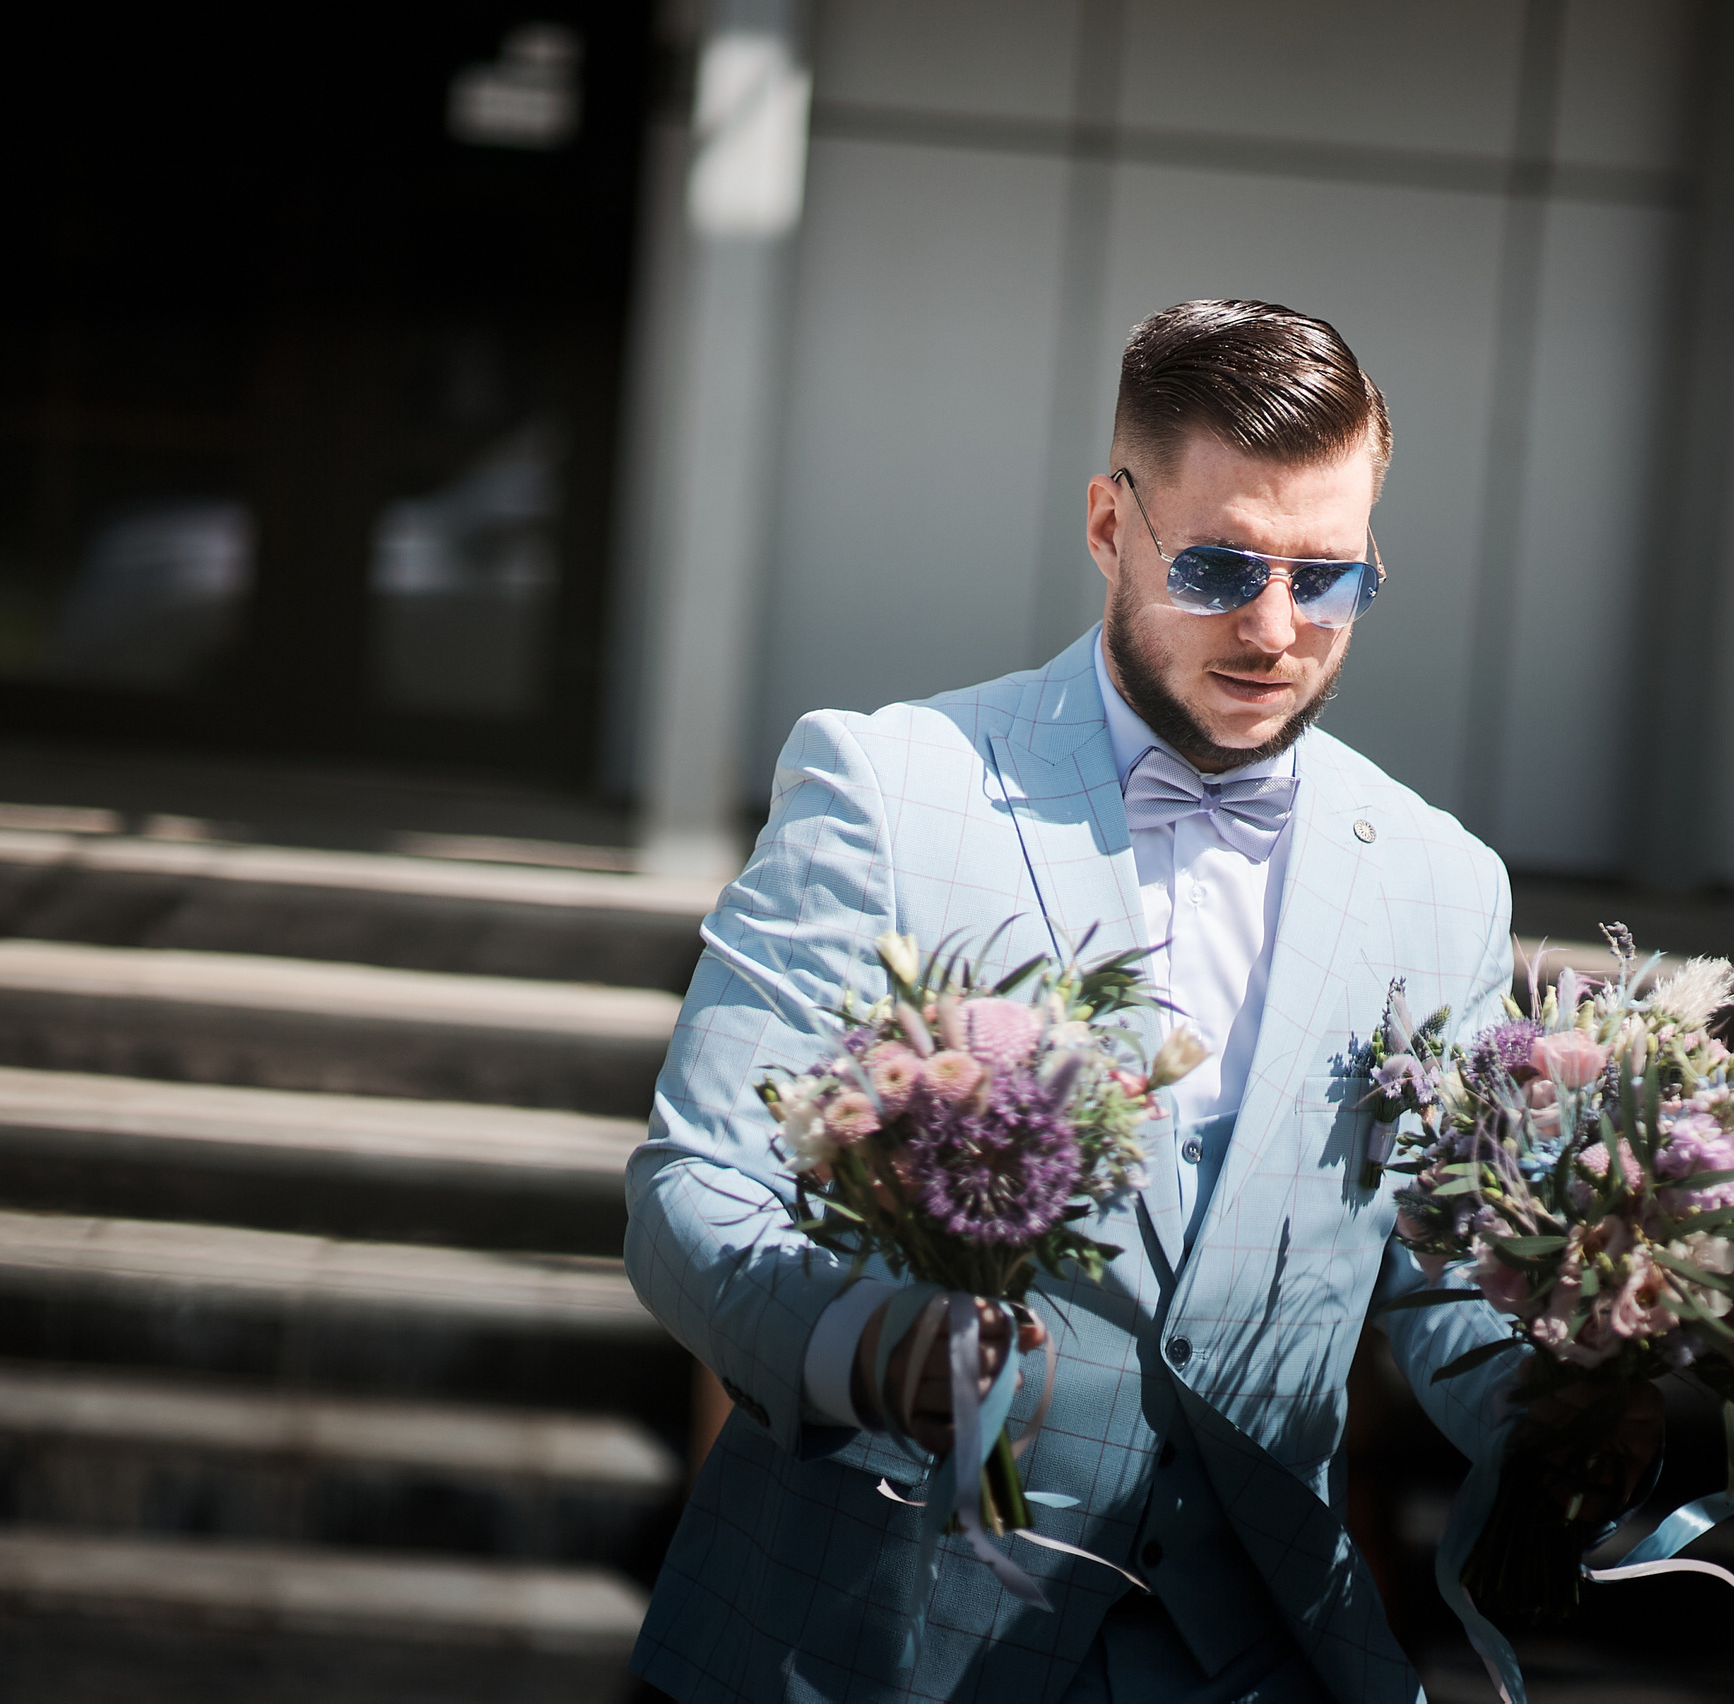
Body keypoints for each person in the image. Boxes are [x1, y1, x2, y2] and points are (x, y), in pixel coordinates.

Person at [626, 299, 1651, 1704]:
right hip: (868, 1643)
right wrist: (873, 1349)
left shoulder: (1441, 882)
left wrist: (1571, 1411)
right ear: (1110, 525)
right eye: (1222, 566)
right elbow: (695, 1191)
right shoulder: (883, 788)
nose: (1277, 632)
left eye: (1330, 577)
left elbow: (1439, 1276)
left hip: (1267, 1650)